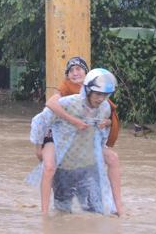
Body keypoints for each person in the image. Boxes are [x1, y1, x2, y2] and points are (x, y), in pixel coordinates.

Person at [28, 69, 118, 215]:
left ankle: (118, 208)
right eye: (71, 70)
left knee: (95, 212)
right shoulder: (66, 97)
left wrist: (107, 123)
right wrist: (38, 147)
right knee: (51, 170)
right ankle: (44, 215)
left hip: (82, 153)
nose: (101, 98)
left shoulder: (103, 105)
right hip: (56, 138)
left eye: (79, 69)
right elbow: (42, 117)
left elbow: (101, 134)